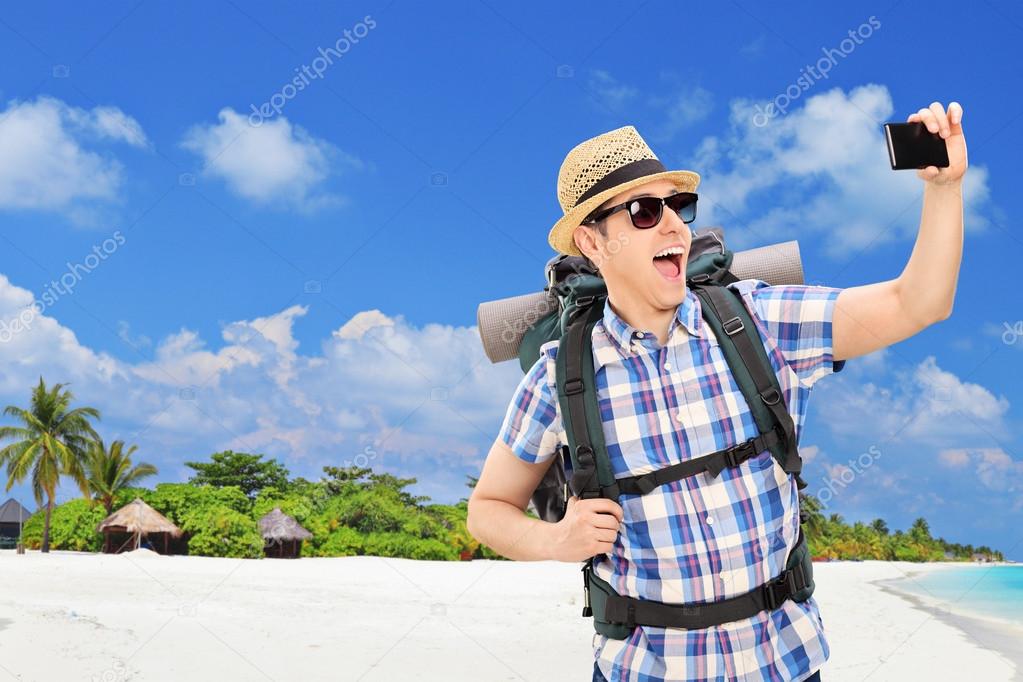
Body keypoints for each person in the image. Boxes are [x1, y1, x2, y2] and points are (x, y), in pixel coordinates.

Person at [468, 104, 966, 682]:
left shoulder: (758, 322)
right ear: (592, 241)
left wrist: (946, 190)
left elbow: (919, 303)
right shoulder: (559, 377)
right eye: (644, 211)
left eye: (679, 207)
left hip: (785, 665)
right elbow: (488, 509)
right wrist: (556, 540)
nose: (675, 226)